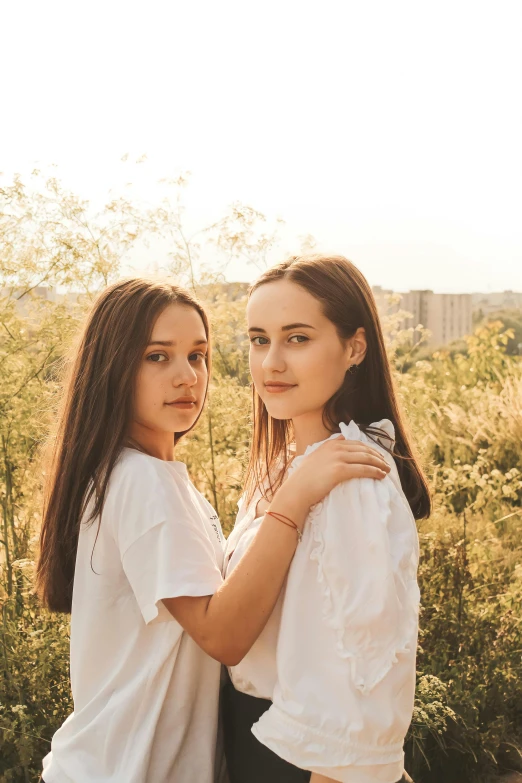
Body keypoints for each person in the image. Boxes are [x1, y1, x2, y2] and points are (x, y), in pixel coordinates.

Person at [36, 276, 390, 783]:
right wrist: (295, 495)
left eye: (197, 355)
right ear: (113, 368)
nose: (187, 376)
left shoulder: (144, 475)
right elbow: (223, 636)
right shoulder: (141, 482)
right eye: (157, 356)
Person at [222, 255, 430, 783]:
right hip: (254, 745)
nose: (270, 363)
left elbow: (358, 689)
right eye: (258, 339)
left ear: (354, 348)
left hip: (301, 764)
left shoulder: (350, 480)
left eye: (297, 339)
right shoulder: (291, 466)